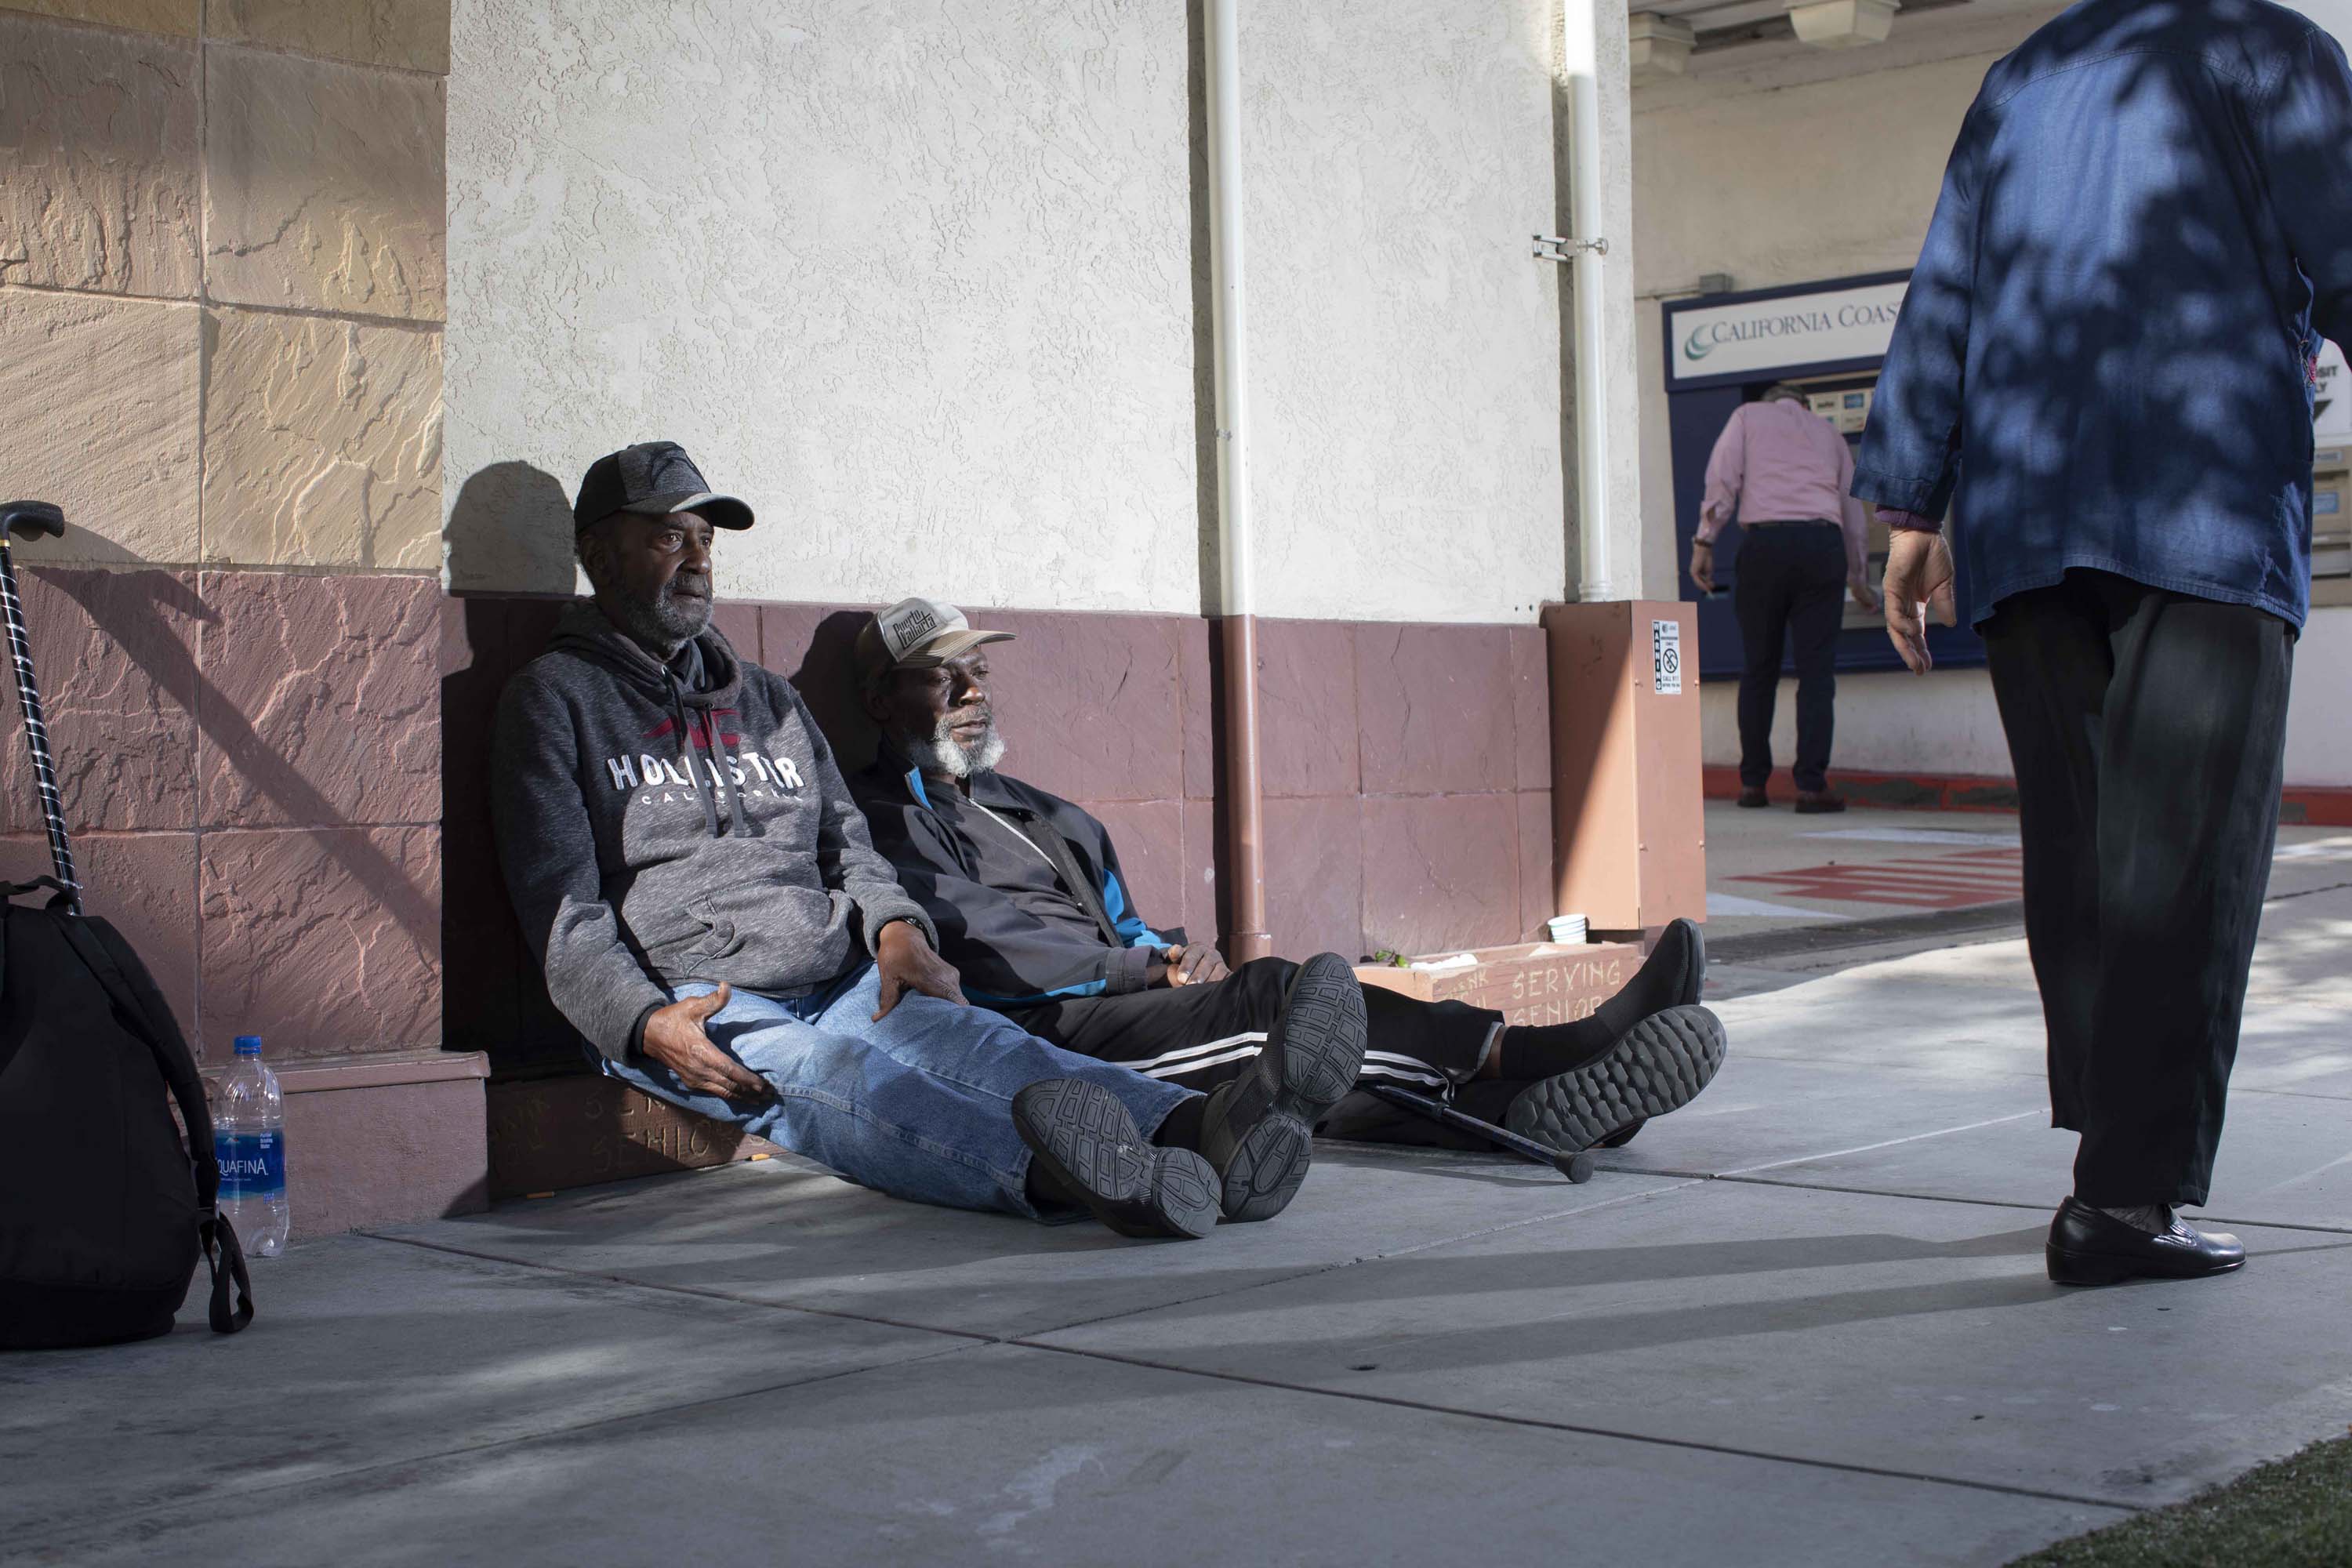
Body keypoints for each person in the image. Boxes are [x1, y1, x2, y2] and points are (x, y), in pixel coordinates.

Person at [490, 444, 1367, 1243]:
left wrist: (898, 930)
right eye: (667, 537)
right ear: (599, 555)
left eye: (706, 540)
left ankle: (1198, 1130)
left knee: (989, 1046)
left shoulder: (768, 701)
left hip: (838, 969)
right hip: (701, 998)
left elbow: (848, 841)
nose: (697, 558)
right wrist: (642, 1024)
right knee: (844, 1088)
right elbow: (563, 910)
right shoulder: (555, 701)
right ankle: (1080, 1175)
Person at [1859, 2, 2352, 1285]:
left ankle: (2105, 1153)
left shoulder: (2026, 76)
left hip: (2024, 517)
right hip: (2198, 494)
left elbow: (1946, 293)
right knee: (2186, 859)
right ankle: (2126, 1203)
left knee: (2081, 850)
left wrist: (1910, 508)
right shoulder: (2270, 48)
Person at [846, 598, 1727, 1156]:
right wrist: (1151, 971)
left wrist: (1168, 956)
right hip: (1053, 1035)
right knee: (1282, 1008)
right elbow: (980, 947)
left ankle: (1524, 1105)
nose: (970, 689)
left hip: (1130, 1001)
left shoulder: (1049, 811)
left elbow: (1127, 918)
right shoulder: (881, 818)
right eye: (940, 674)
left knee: (1304, 1057)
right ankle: (1548, 1050)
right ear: (883, 698)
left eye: (980, 669)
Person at [1690, 384, 1881, 813]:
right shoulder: (1829, 434)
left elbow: (1723, 480)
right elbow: (1853, 511)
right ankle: (1812, 787)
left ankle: (1752, 785)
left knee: (1759, 669)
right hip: (1822, 549)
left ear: (1771, 399)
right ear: (1806, 404)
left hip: (1766, 548)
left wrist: (1705, 541)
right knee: (1817, 674)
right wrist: (1857, 577)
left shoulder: (1746, 419)